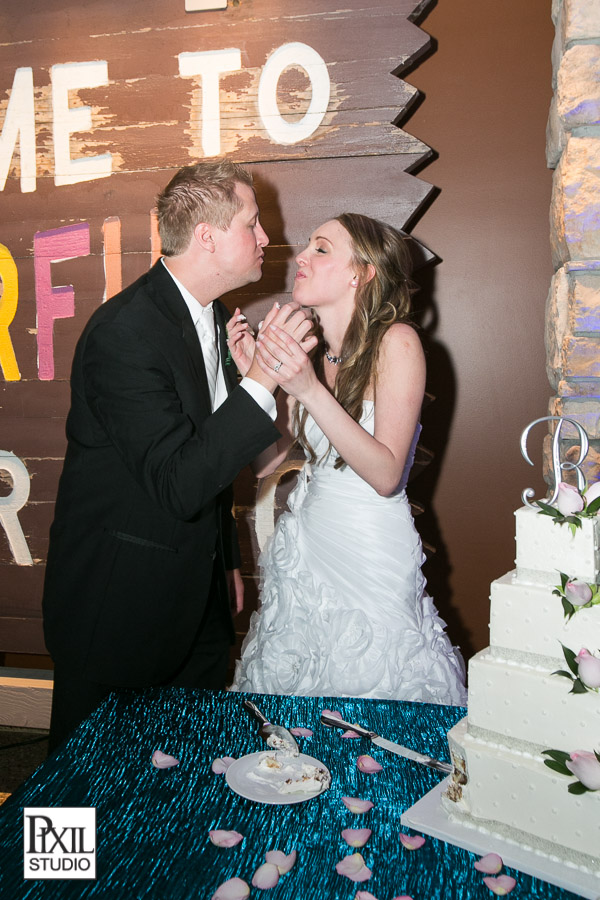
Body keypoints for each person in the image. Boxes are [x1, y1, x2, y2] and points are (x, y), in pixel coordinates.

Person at [42, 160, 316, 751]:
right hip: (119, 611)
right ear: (207, 237)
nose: (266, 236)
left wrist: (224, 563)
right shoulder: (124, 332)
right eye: (252, 222)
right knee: (89, 790)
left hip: (197, 606)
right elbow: (177, 481)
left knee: (186, 781)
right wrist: (263, 379)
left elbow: (208, 452)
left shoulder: (212, 316)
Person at [229, 213, 467, 703]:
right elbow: (268, 464)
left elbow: (386, 475)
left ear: (362, 272)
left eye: (320, 248)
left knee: (372, 684)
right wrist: (258, 380)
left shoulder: (397, 342)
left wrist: (307, 389)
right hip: (310, 549)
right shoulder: (318, 359)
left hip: (366, 551)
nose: (302, 256)